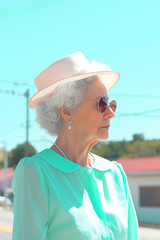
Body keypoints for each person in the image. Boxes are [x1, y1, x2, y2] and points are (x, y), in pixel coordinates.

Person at [12, 52, 139, 240]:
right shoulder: (35, 172)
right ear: (66, 110)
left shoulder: (115, 174)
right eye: (102, 104)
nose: (111, 112)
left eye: (111, 103)